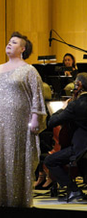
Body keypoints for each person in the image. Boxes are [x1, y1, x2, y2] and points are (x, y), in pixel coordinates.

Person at [0, 32, 47, 207]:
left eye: (14, 42)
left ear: (23, 48)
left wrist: (35, 118)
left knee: (15, 157)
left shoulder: (29, 70)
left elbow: (37, 95)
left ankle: (16, 201)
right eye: (9, 42)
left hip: (18, 122)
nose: (9, 44)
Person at [44, 73, 87, 202]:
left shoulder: (75, 105)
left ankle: (74, 190)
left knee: (50, 161)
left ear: (79, 85)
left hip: (81, 148)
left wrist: (63, 108)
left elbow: (52, 122)